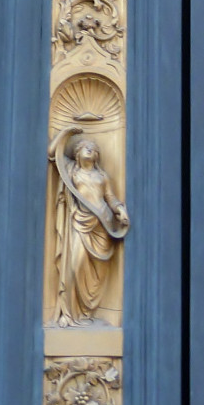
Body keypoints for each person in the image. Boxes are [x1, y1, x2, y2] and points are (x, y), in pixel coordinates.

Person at [49, 130, 130, 324]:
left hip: (103, 224)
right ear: (77, 154)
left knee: (97, 273)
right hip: (80, 222)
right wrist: (67, 132)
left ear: (97, 156)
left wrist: (120, 210)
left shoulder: (102, 177)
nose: (90, 150)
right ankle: (74, 313)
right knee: (76, 265)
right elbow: (53, 154)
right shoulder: (72, 171)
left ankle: (88, 313)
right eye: (86, 148)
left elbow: (110, 197)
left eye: (93, 149)